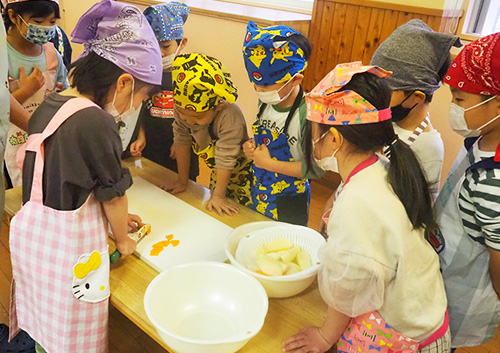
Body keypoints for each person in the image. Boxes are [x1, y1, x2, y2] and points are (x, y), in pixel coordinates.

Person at [8, 1, 162, 352]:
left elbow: (67, 179)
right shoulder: (96, 120)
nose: (134, 107)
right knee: (72, 329)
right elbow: (113, 191)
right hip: (70, 249)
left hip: (38, 241)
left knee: (44, 320)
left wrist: (109, 221)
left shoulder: (51, 103)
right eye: (140, 97)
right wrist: (121, 238)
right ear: (123, 81)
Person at [283, 62, 449, 353]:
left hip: (404, 334)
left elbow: (349, 287)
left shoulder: (360, 202)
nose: (311, 143)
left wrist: (324, 337)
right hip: (424, 312)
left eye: (313, 135)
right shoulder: (383, 164)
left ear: (333, 138)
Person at [434, 31, 500, 351]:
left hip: (462, 291)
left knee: (443, 342)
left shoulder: (494, 182)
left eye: (461, 99)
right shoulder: (478, 139)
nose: (453, 107)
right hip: (441, 270)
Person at [242, 21, 323, 226]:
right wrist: (251, 147)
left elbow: (315, 169)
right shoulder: (266, 100)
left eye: (267, 84)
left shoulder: (308, 115)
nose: (259, 90)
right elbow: (265, 134)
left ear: (295, 79)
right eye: (255, 83)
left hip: (290, 199)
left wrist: (269, 163)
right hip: (260, 188)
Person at [370, 19, 461, 199]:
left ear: (416, 97)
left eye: (384, 90)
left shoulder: (428, 147)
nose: (375, 96)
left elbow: (418, 212)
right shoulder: (386, 119)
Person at [165, 53, 252, 216]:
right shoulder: (182, 108)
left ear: (219, 106)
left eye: (198, 117)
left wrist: (218, 196)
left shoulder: (230, 117)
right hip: (217, 170)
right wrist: (182, 181)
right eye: (183, 114)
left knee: (241, 213)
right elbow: (181, 141)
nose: (189, 121)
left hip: (243, 173)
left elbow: (225, 156)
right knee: (214, 210)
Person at [126, 2, 199, 181]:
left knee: (185, 190)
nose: (159, 53)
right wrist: (141, 135)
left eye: (166, 46)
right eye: (152, 45)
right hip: (152, 145)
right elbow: (141, 108)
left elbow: (199, 118)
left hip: (183, 149)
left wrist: (184, 143)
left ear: (182, 44)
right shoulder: (145, 73)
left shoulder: (190, 76)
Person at [3, 0, 69, 188]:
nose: (46, 28)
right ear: (14, 17)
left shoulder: (50, 52)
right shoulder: (3, 55)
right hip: (12, 144)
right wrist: (25, 92)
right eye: (38, 22)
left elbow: (66, 91)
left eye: (52, 21)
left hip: (46, 139)